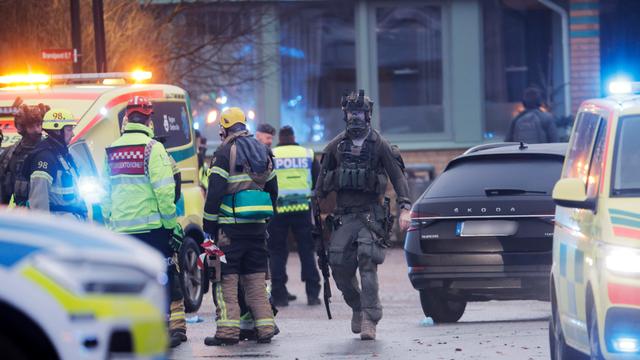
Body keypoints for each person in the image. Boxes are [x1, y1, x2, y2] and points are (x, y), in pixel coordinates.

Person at [315, 90, 411, 340]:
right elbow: (320, 187)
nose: (355, 117)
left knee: (368, 263)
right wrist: (317, 206)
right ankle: (357, 306)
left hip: (370, 215)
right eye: (351, 113)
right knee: (338, 267)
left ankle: (370, 317)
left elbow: (398, 177)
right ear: (345, 114)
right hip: (344, 215)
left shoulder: (380, 145)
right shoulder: (336, 146)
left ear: (368, 115)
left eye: (359, 113)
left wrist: (405, 207)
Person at [101, 96, 183, 347]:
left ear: (126, 119)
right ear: (149, 120)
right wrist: (172, 226)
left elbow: (105, 195)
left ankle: (136, 333)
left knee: (131, 283)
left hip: (122, 232)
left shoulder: (112, 150)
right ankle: (170, 331)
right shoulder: (152, 148)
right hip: (153, 230)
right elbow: (164, 192)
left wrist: (109, 225)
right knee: (165, 277)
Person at [203, 107, 278, 346]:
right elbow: (273, 191)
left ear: (224, 128)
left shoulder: (224, 152)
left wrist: (208, 228)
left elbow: (214, 193)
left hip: (229, 231)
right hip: (257, 228)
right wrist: (265, 220)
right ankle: (265, 329)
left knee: (226, 282)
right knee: (256, 281)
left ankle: (227, 333)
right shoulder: (264, 150)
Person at [267, 125, 321, 307]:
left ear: (279, 139)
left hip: (278, 210)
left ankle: (279, 295)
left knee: (277, 252)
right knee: (306, 251)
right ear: (294, 137)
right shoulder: (307, 153)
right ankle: (313, 294)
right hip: (302, 208)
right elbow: (318, 181)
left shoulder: (271, 154)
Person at [26, 109, 86, 218]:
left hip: (71, 224)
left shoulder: (63, 155)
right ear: (57, 131)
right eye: (69, 129)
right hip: (59, 226)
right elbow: (39, 204)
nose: (73, 134)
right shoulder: (45, 158)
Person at [0, 101, 47, 206]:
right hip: (21, 215)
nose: (37, 130)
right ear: (22, 128)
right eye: (31, 126)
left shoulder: (51, 151)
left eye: (39, 125)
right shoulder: (9, 155)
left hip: (48, 215)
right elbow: (2, 193)